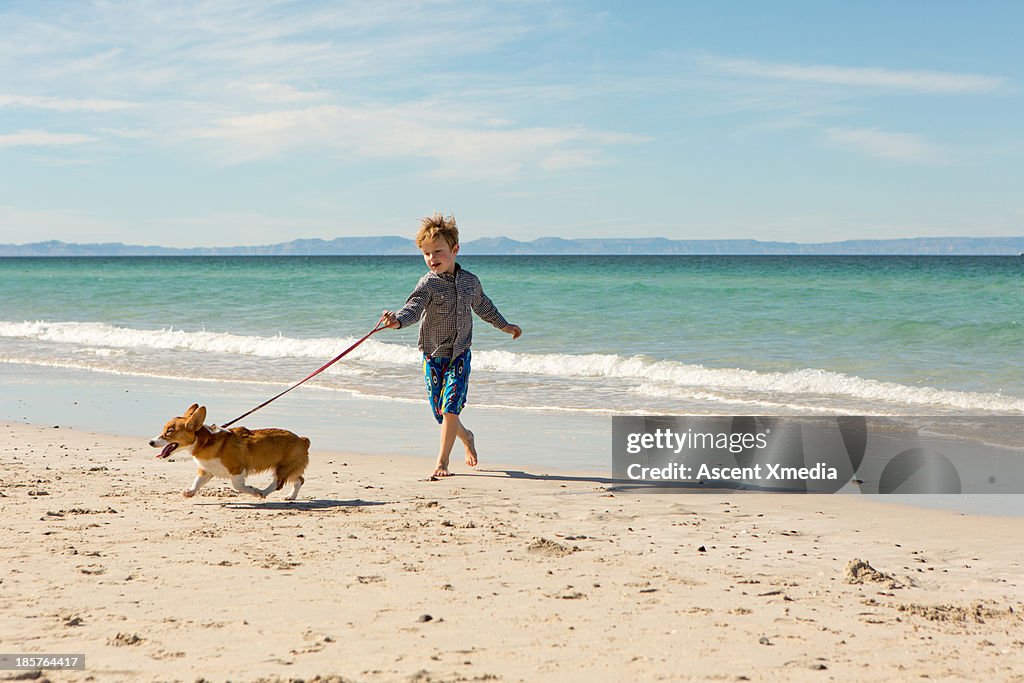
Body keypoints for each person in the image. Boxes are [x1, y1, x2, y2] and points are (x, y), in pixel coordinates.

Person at [380, 213, 522, 479]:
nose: (432, 258)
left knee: (450, 408)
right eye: (426, 254)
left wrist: (505, 326)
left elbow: (484, 306)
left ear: (454, 250)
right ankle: (466, 437)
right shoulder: (428, 283)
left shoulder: (470, 281)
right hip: (433, 356)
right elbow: (413, 308)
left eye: (438, 252)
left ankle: (442, 462)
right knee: (440, 413)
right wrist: (396, 321)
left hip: (459, 355)